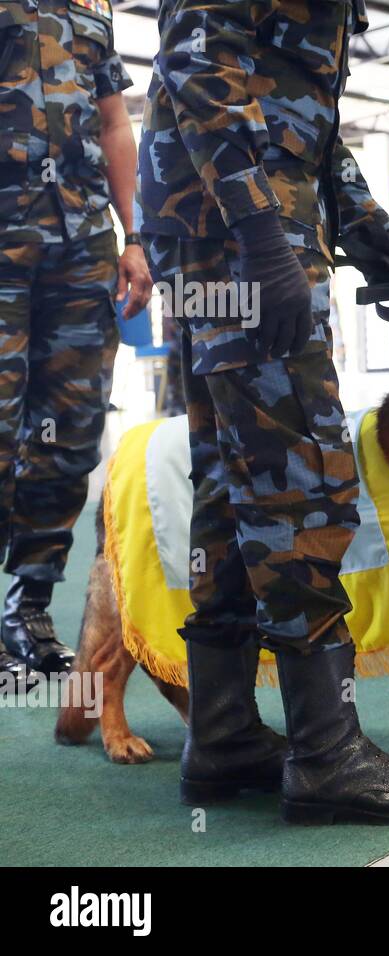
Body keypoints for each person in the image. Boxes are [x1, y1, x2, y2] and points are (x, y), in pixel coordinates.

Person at [138, 0, 389, 824]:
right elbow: (197, 70)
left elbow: (300, 117)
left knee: (231, 477)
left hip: (237, 225)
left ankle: (222, 736)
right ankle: (326, 754)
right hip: (237, 233)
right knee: (300, 481)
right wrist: (259, 234)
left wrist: (368, 233)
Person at [0, 0, 151, 689]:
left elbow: (116, 121)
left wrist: (136, 234)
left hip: (81, 246)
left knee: (71, 432)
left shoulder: (92, 6)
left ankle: (28, 608)